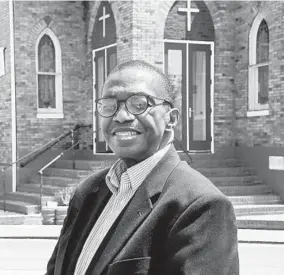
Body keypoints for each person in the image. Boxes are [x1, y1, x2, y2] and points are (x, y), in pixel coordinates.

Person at [46, 60, 239, 275]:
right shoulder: (87, 192)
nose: (121, 116)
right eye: (110, 106)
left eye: (139, 104)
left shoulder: (201, 207)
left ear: (171, 119)